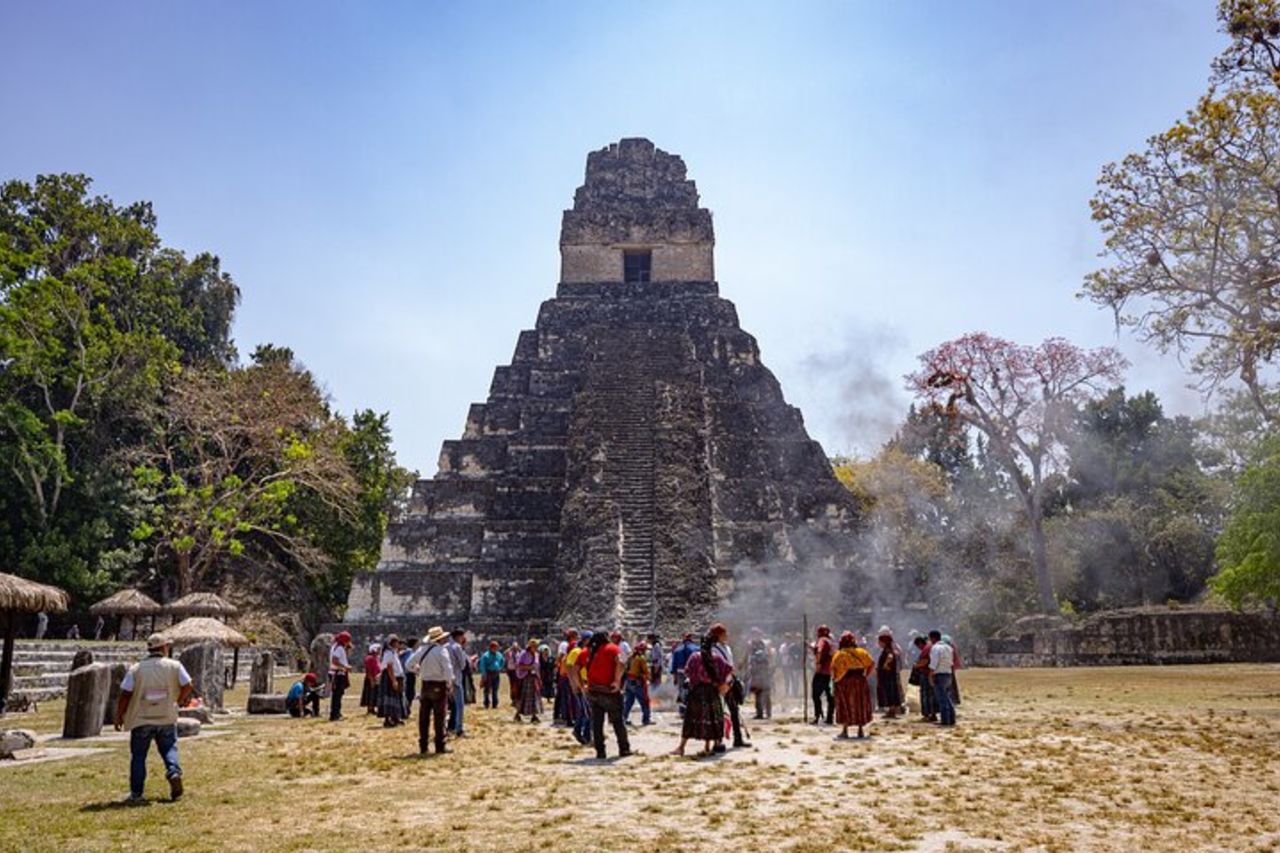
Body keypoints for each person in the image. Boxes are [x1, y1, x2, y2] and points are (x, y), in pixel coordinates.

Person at [113, 633, 194, 803]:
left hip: (141, 718)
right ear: (164, 648)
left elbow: (125, 694)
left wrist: (119, 714)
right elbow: (188, 685)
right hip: (166, 716)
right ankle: (173, 772)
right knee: (169, 748)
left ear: (149, 649)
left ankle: (136, 794)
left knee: (139, 756)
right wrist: (178, 700)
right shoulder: (175, 666)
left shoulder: (136, 668)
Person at [672, 633, 731, 757]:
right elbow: (729, 669)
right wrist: (721, 684)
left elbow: (688, 672)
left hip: (697, 693)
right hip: (713, 693)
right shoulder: (717, 659)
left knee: (690, 720)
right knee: (712, 719)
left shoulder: (695, 657)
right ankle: (708, 746)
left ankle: (681, 747)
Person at [583, 630, 631, 759]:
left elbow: (575, 666)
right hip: (610, 691)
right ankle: (624, 749)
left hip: (593, 691)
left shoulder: (589, 651)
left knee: (597, 723)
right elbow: (622, 662)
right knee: (617, 722)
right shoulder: (613, 649)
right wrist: (617, 680)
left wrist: (580, 685)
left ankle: (600, 751)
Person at [406, 626, 454, 755]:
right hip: (439, 684)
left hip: (425, 684)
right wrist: (449, 683)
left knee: (424, 717)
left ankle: (423, 745)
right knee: (440, 717)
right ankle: (440, 745)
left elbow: (408, 664)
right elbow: (448, 670)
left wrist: (417, 670)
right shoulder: (441, 651)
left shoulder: (421, 650)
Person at [711, 623, 750, 748]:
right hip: (721, 684)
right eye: (724, 633)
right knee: (719, 712)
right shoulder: (713, 649)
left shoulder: (727, 648)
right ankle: (718, 741)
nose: (727, 635)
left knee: (734, 710)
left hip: (730, 682)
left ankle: (738, 739)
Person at [832, 631, 875, 739]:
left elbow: (835, 670)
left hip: (845, 682)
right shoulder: (862, 652)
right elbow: (871, 664)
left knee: (845, 704)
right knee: (860, 704)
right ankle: (860, 730)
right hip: (860, 681)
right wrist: (865, 676)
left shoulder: (840, 654)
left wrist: (836, 681)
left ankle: (845, 731)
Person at [566, 633, 593, 745]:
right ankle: (580, 732)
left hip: (586, 683)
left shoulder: (586, 651)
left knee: (586, 711)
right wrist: (575, 684)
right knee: (587, 711)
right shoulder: (576, 652)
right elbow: (570, 669)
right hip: (580, 684)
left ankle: (585, 735)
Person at [929, 633, 957, 727]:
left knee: (942, 699)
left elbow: (934, 662)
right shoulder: (949, 648)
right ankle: (951, 719)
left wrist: (931, 674)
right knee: (947, 698)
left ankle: (945, 720)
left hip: (939, 674)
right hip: (948, 674)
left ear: (932, 638)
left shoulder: (935, 648)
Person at [876, 627, 904, 717]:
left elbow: (890, 656)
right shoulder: (889, 648)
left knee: (890, 692)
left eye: (880, 641)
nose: (879, 643)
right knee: (891, 691)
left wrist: (885, 665)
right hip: (889, 675)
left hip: (888, 676)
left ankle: (892, 710)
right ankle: (891, 710)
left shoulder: (888, 650)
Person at [378, 635, 406, 727]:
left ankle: (396, 717)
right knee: (390, 698)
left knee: (396, 698)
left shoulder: (393, 652)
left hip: (395, 676)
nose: (399, 644)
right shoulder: (389, 653)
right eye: (397, 642)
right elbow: (389, 667)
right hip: (390, 677)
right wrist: (394, 680)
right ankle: (388, 719)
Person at [622, 639, 651, 726]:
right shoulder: (641, 659)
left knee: (628, 702)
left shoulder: (631, 657)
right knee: (644, 701)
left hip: (629, 682)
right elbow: (645, 671)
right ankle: (646, 719)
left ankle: (623, 718)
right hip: (637, 683)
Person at [669, 632, 699, 717]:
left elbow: (674, 666)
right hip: (693, 673)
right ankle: (693, 710)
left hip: (680, 673)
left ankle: (682, 711)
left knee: (681, 691)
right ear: (691, 638)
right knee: (693, 691)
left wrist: (675, 678)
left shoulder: (677, 650)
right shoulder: (696, 649)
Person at [446, 630, 469, 736]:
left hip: (444, 679)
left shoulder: (445, 646)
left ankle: (446, 727)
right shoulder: (457, 647)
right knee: (459, 705)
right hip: (456, 679)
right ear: (459, 637)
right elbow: (463, 664)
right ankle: (459, 728)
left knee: (445, 706)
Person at [553, 629, 578, 725]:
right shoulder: (564, 645)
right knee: (565, 697)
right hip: (565, 675)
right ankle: (565, 716)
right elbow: (560, 658)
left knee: (565, 696)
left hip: (565, 674)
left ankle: (564, 716)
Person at [811, 625, 835, 725]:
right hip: (830, 672)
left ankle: (817, 716)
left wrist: (818, 664)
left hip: (822, 672)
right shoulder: (831, 641)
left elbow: (820, 652)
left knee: (816, 695)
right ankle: (829, 717)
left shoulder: (822, 640)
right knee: (830, 696)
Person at [745, 635, 773, 720]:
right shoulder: (759, 655)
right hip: (760, 678)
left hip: (761, 678)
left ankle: (763, 713)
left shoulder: (758, 655)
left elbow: (760, 666)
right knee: (761, 696)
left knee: (762, 695)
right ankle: (763, 713)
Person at [514, 639, 543, 723]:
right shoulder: (524, 654)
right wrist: (529, 667)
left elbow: (538, 667)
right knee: (524, 697)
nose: (536, 648)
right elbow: (518, 665)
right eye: (535, 646)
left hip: (534, 678)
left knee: (535, 697)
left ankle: (534, 715)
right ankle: (518, 714)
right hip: (526, 678)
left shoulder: (537, 655)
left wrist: (539, 678)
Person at [328, 631, 353, 721]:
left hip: (337, 673)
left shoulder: (335, 646)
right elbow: (335, 660)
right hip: (338, 673)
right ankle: (335, 714)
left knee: (338, 694)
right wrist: (345, 666)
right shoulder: (339, 648)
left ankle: (337, 712)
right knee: (337, 695)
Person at [912, 635, 936, 722]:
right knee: (931, 695)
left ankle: (927, 714)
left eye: (918, 646)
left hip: (926, 674)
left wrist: (916, 665)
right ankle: (932, 714)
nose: (919, 648)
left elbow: (925, 661)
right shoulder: (930, 647)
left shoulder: (926, 649)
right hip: (930, 673)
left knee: (926, 694)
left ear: (920, 643)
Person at [477, 640, 505, 710]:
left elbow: (502, 661)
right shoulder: (485, 655)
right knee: (487, 689)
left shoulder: (499, 654)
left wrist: (500, 667)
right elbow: (482, 665)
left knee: (495, 689)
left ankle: (495, 704)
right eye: (495, 647)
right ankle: (486, 703)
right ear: (491, 647)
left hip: (496, 673)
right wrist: (484, 674)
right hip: (488, 673)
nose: (496, 649)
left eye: (497, 647)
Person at [400, 639, 418, 719]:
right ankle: (406, 710)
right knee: (409, 693)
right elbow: (408, 664)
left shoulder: (404, 653)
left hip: (404, 674)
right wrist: (415, 670)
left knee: (407, 693)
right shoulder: (410, 653)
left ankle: (406, 710)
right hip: (409, 674)